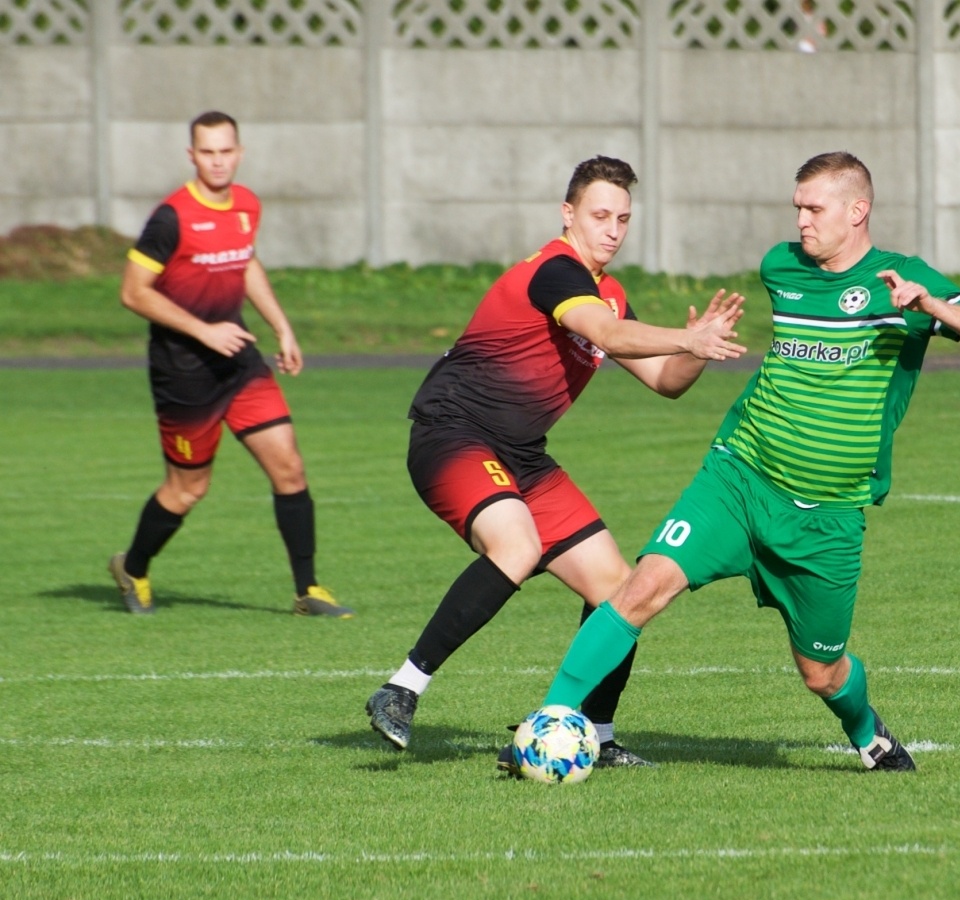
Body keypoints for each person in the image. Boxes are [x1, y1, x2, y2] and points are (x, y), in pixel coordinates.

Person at [523, 151, 960, 771]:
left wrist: (935, 308)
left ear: (857, 210)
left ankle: (867, 732)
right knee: (642, 588)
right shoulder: (780, 267)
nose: (801, 221)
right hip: (740, 475)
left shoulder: (903, 279)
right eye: (797, 208)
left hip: (827, 515)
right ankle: (547, 725)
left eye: (815, 209)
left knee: (821, 671)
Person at [364, 156, 745, 766]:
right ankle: (401, 689)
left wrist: (697, 349)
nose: (613, 230)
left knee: (620, 590)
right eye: (600, 215)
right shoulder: (555, 272)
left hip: (522, 455)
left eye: (623, 219)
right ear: (568, 214)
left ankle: (599, 734)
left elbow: (665, 381)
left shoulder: (609, 293)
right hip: (455, 434)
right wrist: (684, 336)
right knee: (515, 546)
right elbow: (610, 336)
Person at [110, 111, 352, 619]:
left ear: (239, 153)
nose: (218, 161)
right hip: (184, 375)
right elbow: (133, 293)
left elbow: (245, 262)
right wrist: (204, 331)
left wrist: (282, 326)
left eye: (226, 151)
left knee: (289, 467)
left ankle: (307, 590)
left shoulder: (246, 205)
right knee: (188, 489)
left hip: (239, 365)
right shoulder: (171, 218)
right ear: (192, 156)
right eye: (208, 152)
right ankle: (132, 567)